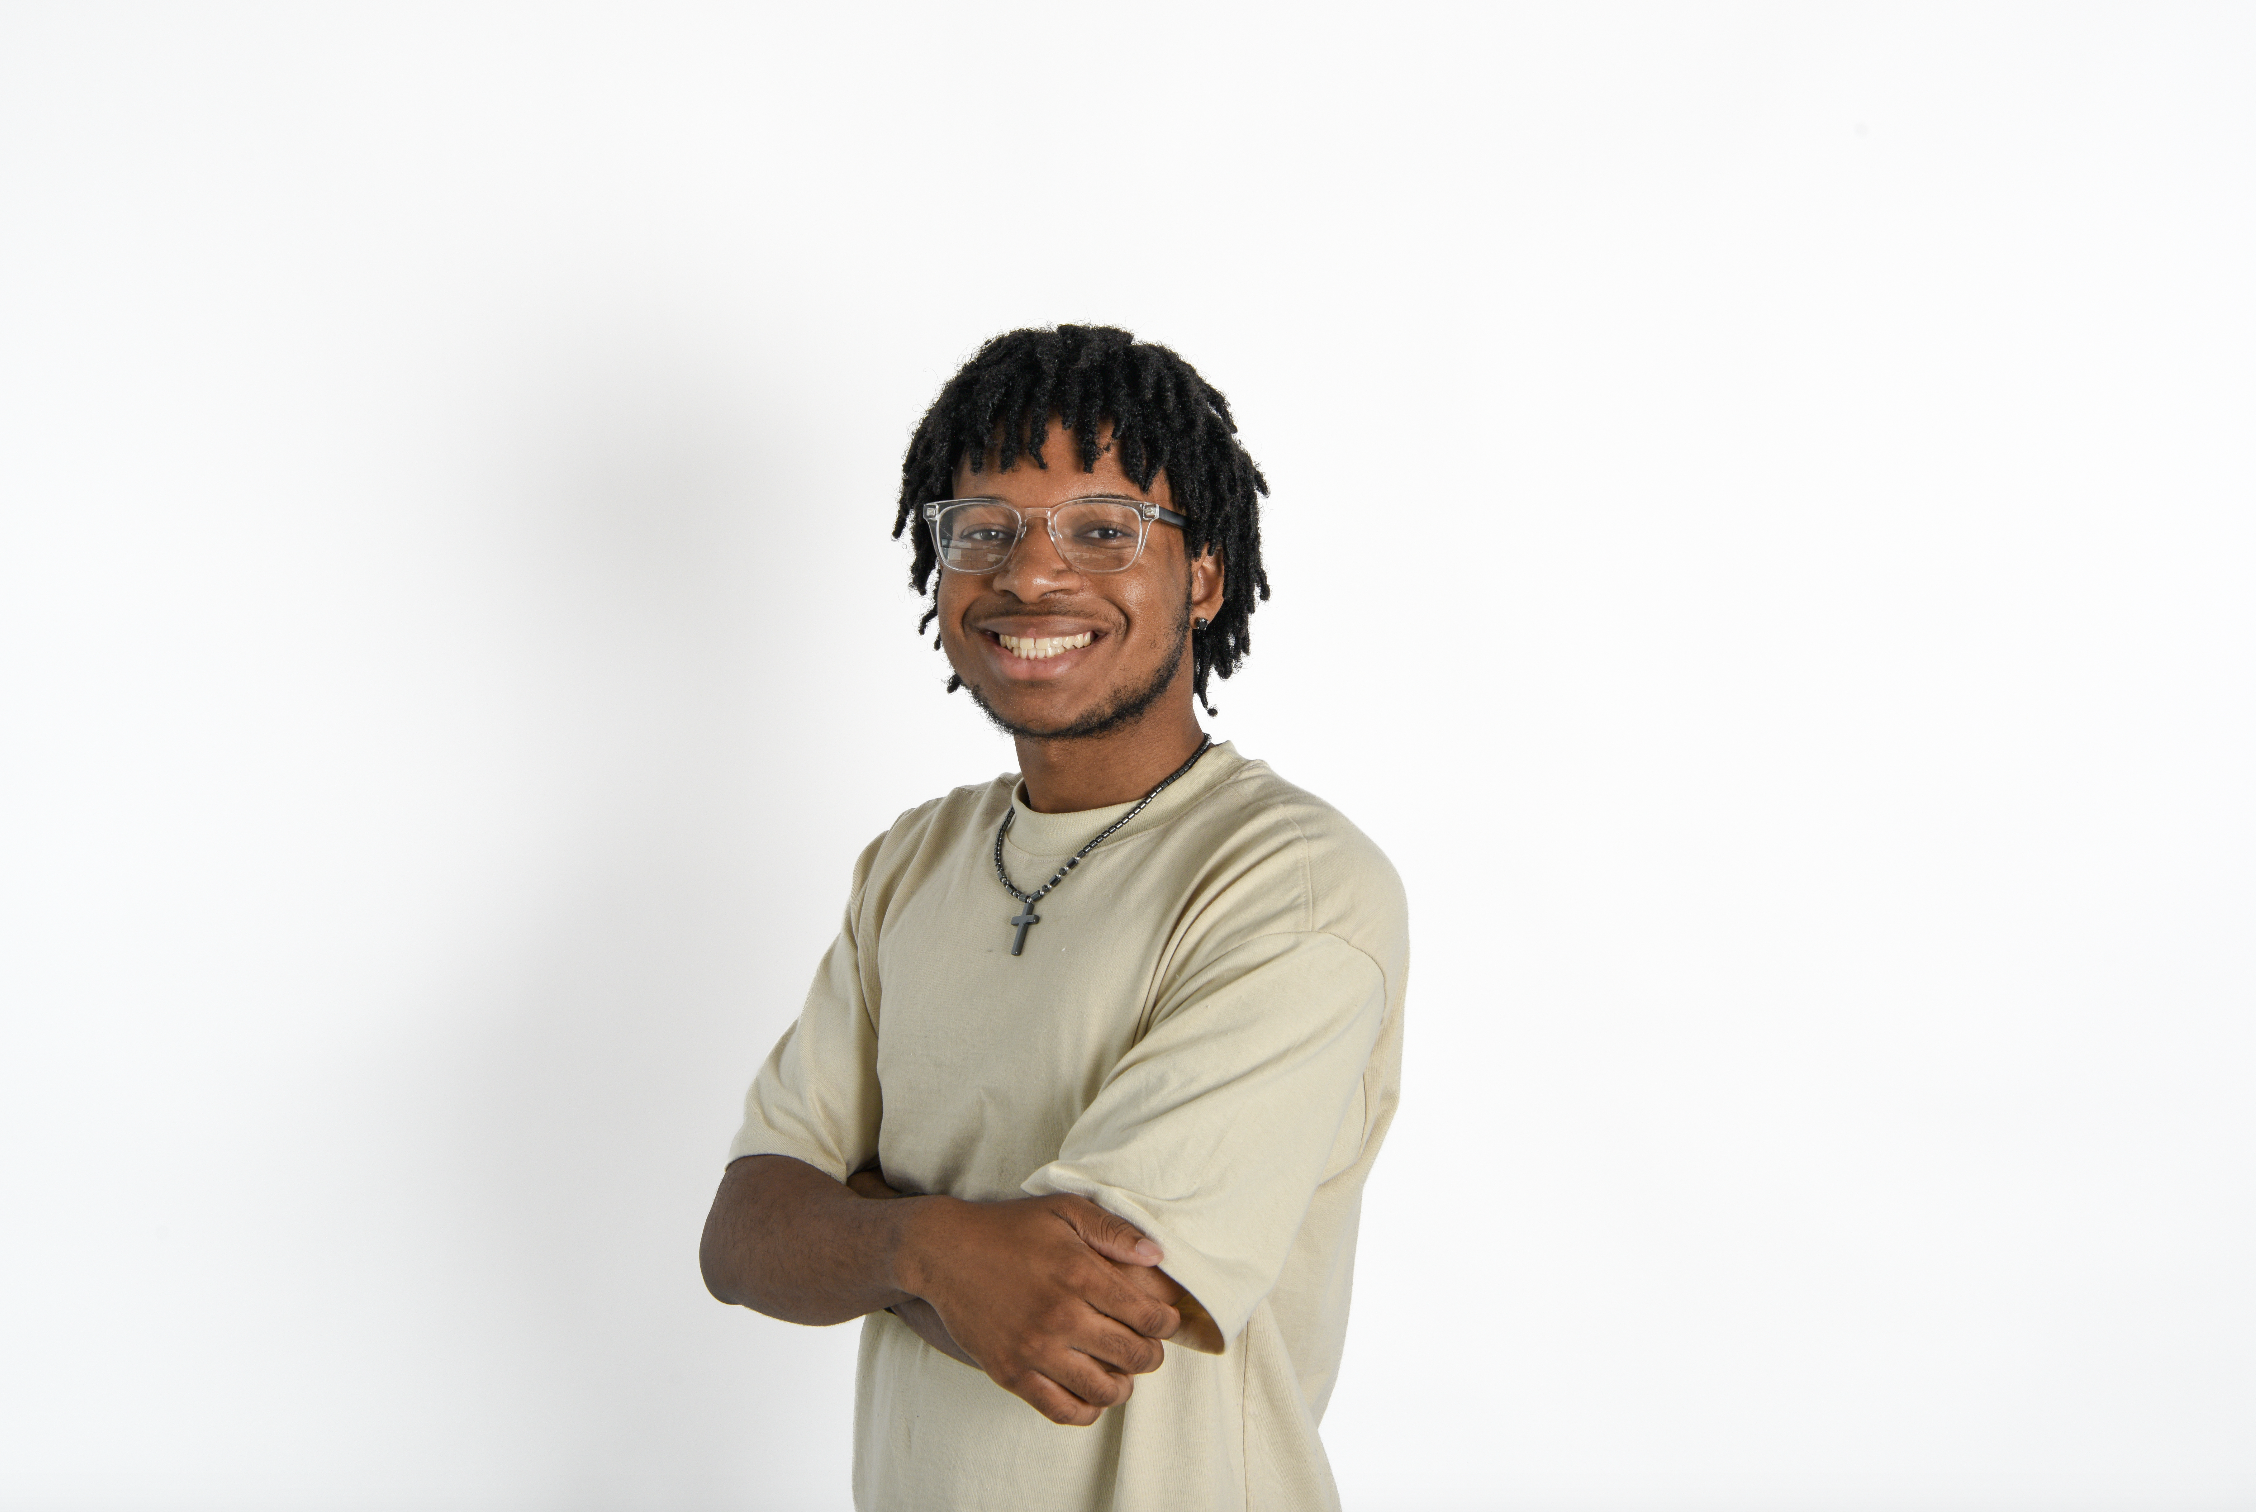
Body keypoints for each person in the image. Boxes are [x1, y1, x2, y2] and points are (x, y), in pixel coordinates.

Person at [698, 324, 1408, 1511]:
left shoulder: (1291, 885)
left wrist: (862, 1225)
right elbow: (743, 1234)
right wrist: (932, 1251)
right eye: (985, 530)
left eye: (1102, 529)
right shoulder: (912, 863)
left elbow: (1088, 1308)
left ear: (1204, 576)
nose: (1031, 575)